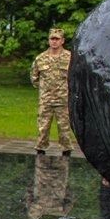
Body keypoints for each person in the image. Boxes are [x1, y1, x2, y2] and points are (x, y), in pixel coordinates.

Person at [31, 28, 73, 156]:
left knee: (64, 128)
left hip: (63, 100)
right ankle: (40, 150)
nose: (54, 42)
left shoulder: (70, 58)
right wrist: (45, 89)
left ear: (62, 41)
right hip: (46, 100)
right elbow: (34, 78)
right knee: (43, 128)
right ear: (49, 40)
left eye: (57, 39)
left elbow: (75, 77)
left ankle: (66, 152)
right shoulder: (41, 58)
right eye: (52, 39)